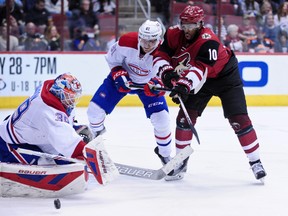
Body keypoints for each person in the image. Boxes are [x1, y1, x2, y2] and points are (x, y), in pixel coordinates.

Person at [153, 5, 267, 181]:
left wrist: (184, 86)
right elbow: (160, 55)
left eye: (191, 25)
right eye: (184, 24)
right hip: (200, 79)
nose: (187, 29)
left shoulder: (209, 41)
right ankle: (181, 161)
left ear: (200, 23)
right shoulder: (173, 34)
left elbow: (200, 69)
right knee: (184, 119)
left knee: (239, 120)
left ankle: (255, 162)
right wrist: (167, 74)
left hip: (225, 77)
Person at [0, 73, 118, 196]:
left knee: (70, 153)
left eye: (73, 96)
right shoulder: (48, 112)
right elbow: (70, 143)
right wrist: (85, 155)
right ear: (59, 93)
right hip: (11, 144)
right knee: (48, 165)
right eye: (69, 97)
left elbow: (62, 123)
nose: (72, 100)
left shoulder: (49, 89)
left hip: (33, 134)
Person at [87, 20, 173, 177]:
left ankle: (165, 155)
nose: (147, 44)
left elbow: (169, 80)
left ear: (159, 39)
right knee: (94, 111)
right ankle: (95, 141)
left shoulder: (165, 52)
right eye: (144, 39)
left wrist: (159, 85)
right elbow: (112, 60)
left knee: (162, 120)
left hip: (148, 87)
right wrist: (118, 73)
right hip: (122, 80)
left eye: (152, 41)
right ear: (139, 36)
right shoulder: (126, 41)